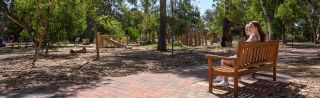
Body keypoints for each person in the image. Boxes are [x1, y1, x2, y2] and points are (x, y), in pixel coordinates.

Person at [213, 21, 267, 87]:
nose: (249, 28)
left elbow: (244, 50)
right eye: (249, 26)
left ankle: (225, 81)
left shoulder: (253, 37)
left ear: (256, 27)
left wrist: (236, 56)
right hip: (252, 61)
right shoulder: (260, 37)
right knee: (231, 58)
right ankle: (224, 76)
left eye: (250, 26)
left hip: (244, 61)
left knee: (223, 60)